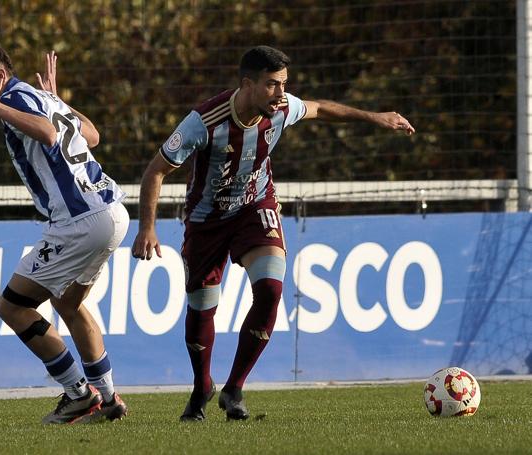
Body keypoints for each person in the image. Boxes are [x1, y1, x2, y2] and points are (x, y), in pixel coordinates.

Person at [132, 45, 415, 421]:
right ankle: (202, 386)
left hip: (255, 207)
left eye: (284, 84)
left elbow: (321, 108)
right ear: (247, 84)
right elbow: (155, 170)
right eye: (271, 84)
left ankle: (234, 389)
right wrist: (146, 228)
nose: (281, 93)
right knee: (202, 308)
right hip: (207, 221)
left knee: (270, 289)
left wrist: (374, 116)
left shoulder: (281, 108)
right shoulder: (204, 121)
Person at [0, 43, 129, 424]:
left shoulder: (12, 99)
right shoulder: (39, 96)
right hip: (111, 213)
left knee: (12, 307)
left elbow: (46, 134)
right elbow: (92, 136)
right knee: (69, 304)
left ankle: (78, 393)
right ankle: (109, 399)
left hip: (79, 222)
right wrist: (58, 101)